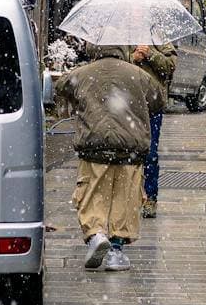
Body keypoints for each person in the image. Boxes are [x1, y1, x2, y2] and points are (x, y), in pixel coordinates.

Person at [55, 44, 164, 271]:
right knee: (125, 199)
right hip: (129, 149)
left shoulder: (84, 72)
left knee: (92, 194)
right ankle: (116, 250)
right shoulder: (138, 74)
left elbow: (61, 86)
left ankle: (96, 235)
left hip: (95, 146)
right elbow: (158, 100)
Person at [132, 43, 176, 218]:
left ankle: (150, 197)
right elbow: (112, 65)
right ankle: (129, 197)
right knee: (127, 153)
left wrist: (150, 54)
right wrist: (133, 58)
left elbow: (170, 67)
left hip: (152, 106)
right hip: (126, 106)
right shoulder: (122, 37)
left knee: (150, 154)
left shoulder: (159, 37)